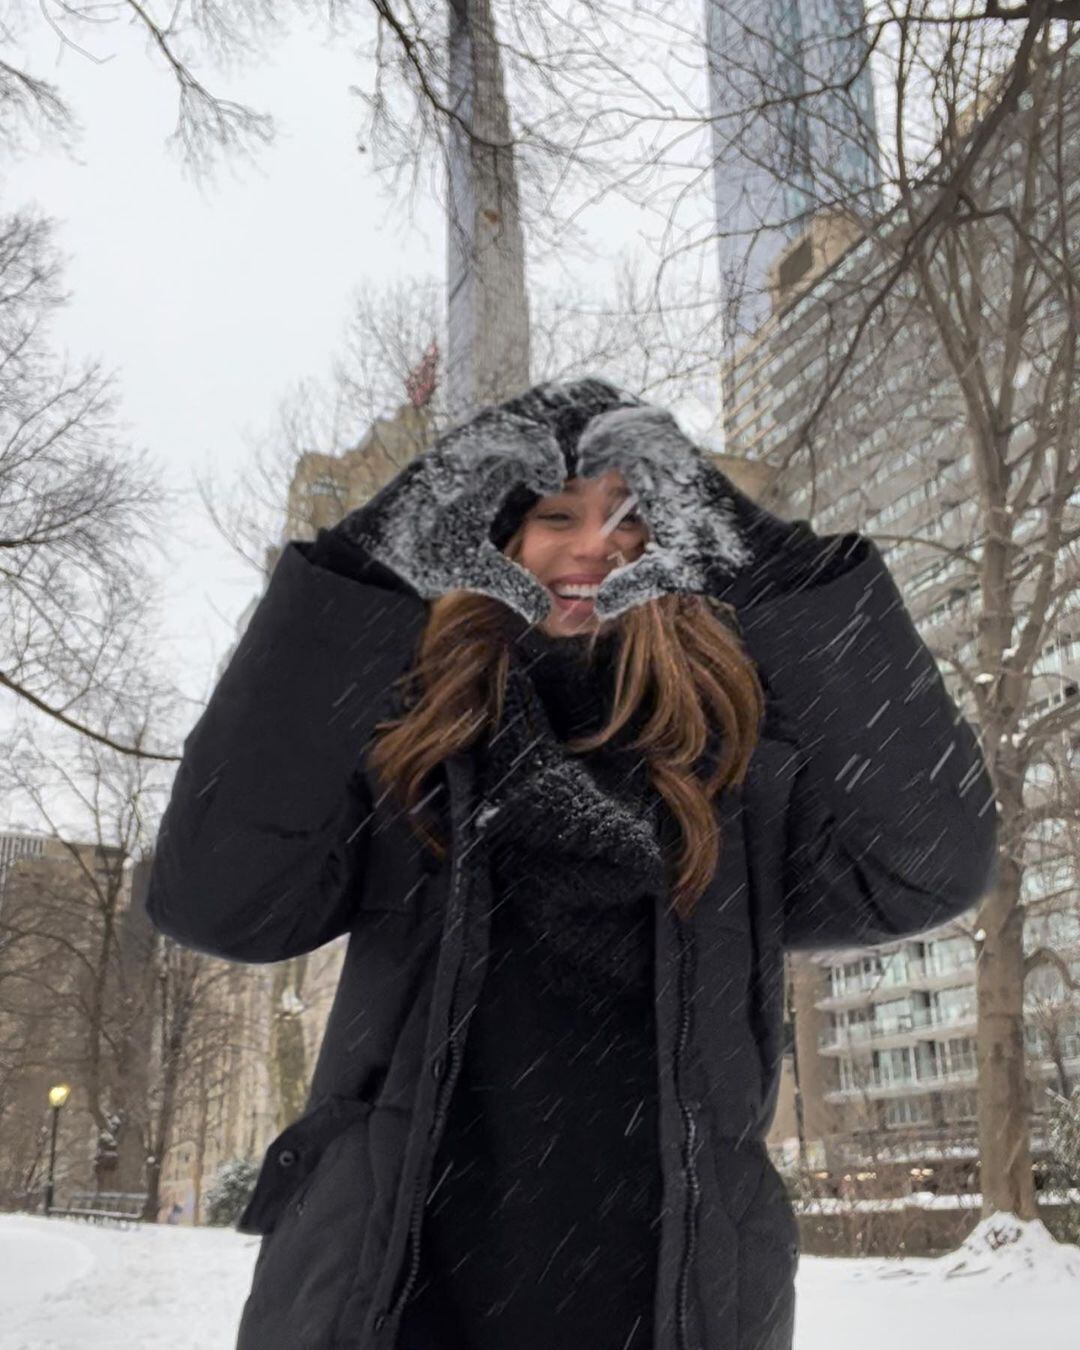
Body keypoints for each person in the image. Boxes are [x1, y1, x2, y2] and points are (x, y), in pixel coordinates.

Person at [145, 377, 997, 1350]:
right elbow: (215, 898)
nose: (593, 545)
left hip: (673, 1313)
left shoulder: (746, 777)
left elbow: (932, 860)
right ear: (496, 541)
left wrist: (773, 570)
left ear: (679, 544)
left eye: (632, 517)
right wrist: (369, 571)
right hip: (386, 1306)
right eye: (555, 516)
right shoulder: (401, 745)